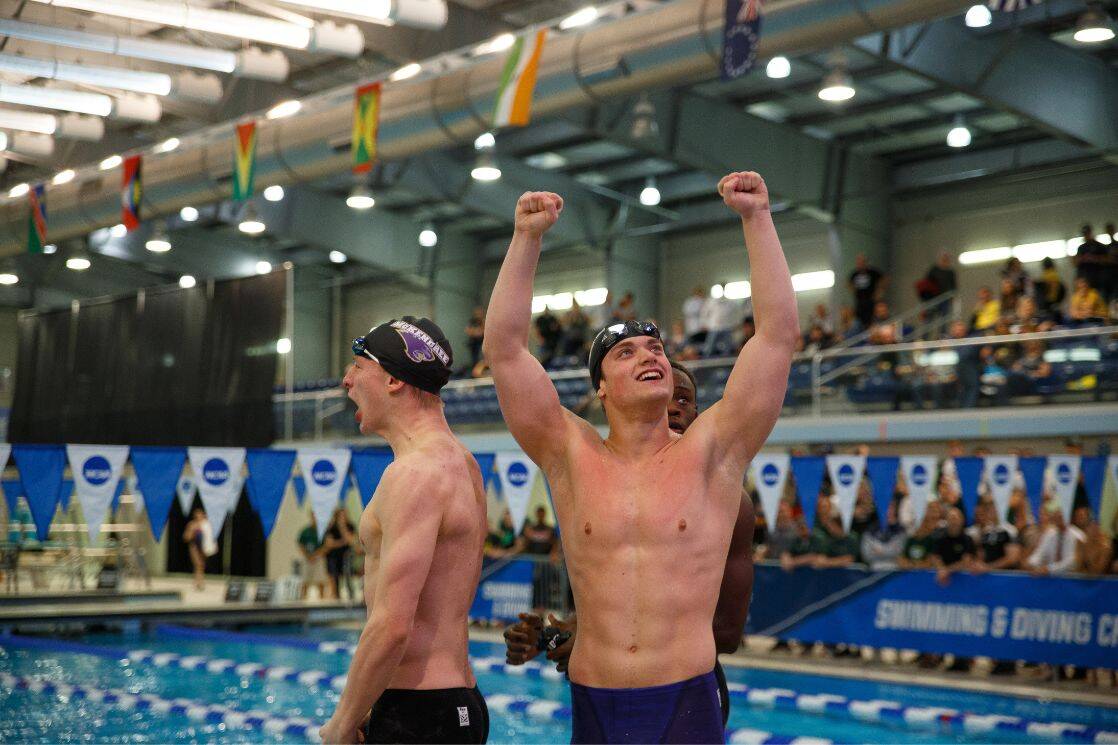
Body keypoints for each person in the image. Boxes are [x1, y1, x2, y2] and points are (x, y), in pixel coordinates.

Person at [485, 173, 796, 743]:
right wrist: (526, 239)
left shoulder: (713, 454)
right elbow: (504, 352)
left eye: (655, 347)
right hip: (593, 705)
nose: (648, 356)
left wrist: (757, 219)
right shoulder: (569, 455)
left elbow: (776, 338)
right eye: (625, 353)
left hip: (686, 703)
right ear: (600, 388)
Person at [503, 358, 756, 730]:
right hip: (607, 693)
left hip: (685, 692)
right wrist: (549, 635)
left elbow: (728, 633)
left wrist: (601, 646)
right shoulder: (598, 487)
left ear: (700, 414)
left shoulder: (731, 501)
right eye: (664, 398)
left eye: (683, 399)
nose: (671, 407)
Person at [321, 316, 489, 744]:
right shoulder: (465, 465)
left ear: (394, 379)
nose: (346, 381)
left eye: (358, 367)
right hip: (457, 701)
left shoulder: (413, 474)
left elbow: (394, 623)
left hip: (418, 713)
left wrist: (343, 721)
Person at [1027, 501, 1084, 576]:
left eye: (1060, 515)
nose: (1057, 517)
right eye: (1055, 515)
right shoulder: (1050, 534)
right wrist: (1031, 564)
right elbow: (1039, 553)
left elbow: (1072, 562)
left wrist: (1049, 569)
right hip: (1051, 578)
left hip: (1071, 579)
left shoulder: (1078, 536)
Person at [322, 506, 357, 601]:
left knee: (347, 571)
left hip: (346, 554)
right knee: (333, 572)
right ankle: (335, 594)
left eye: (345, 515)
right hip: (333, 555)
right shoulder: (331, 528)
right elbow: (329, 544)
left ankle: (350, 593)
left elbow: (351, 541)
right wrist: (342, 542)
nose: (343, 518)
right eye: (341, 516)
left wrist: (342, 527)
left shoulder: (350, 526)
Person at [182, 506, 215, 591]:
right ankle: (199, 583)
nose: (199, 516)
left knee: (202, 565)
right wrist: (192, 533)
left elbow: (211, 537)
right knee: (198, 564)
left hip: (203, 547)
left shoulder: (206, 525)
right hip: (194, 547)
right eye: (197, 515)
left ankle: (199, 581)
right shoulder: (192, 524)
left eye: (200, 514)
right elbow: (186, 537)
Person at [848, 254, 885, 328]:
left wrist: (879, 291)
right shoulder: (855, 274)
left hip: (871, 300)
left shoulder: (872, 272)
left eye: (862, 262)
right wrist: (854, 291)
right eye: (858, 262)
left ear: (865, 262)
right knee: (859, 319)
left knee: (872, 318)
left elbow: (884, 279)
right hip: (860, 301)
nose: (860, 264)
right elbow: (848, 283)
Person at [297, 513, 328, 600]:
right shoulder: (305, 531)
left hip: (319, 557)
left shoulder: (322, 531)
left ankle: (322, 598)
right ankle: (302, 598)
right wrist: (308, 555)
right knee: (305, 580)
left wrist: (316, 554)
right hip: (307, 558)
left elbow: (326, 545)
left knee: (320, 580)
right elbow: (300, 544)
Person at [464, 306, 486, 372]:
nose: (478, 314)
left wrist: (478, 331)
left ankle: (482, 370)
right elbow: (467, 330)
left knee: (483, 357)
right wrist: (475, 332)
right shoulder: (472, 321)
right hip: (474, 343)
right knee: (475, 358)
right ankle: (474, 371)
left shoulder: (483, 321)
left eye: (480, 313)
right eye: (477, 313)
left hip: (482, 342)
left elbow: (483, 331)